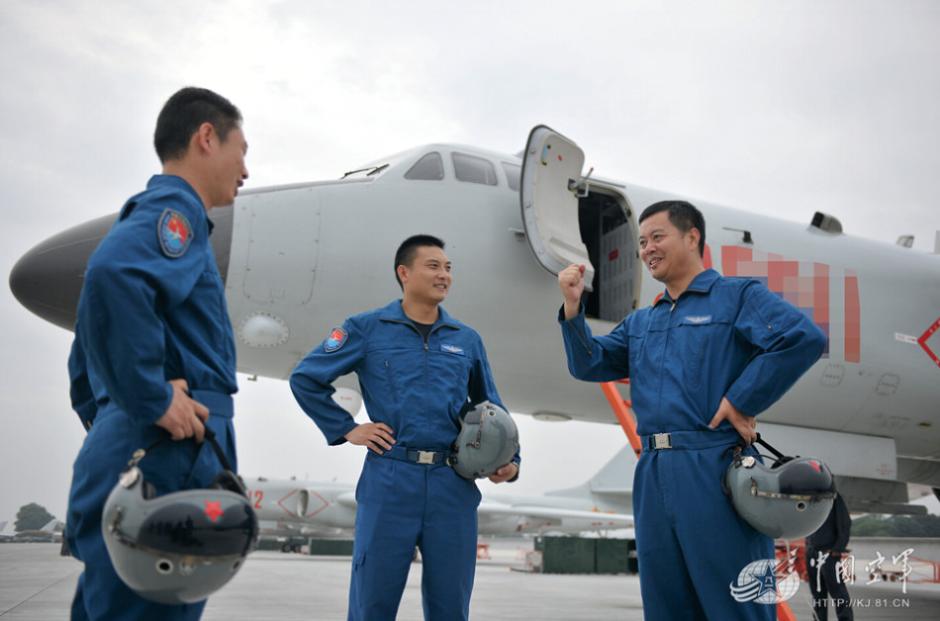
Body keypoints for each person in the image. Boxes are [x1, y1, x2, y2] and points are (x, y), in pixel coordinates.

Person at [557, 200, 826, 620]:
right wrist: (572, 309)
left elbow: (801, 338)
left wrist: (742, 398)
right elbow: (588, 363)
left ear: (692, 237)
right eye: (642, 242)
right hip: (653, 469)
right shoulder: (641, 322)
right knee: (666, 603)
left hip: (714, 465)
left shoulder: (737, 296)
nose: (647, 249)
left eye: (657, 237)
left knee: (737, 601)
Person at [66, 87, 249, 621]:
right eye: (242, 149)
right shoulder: (175, 212)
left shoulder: (139, 222)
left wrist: (116, 419)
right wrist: (149, 402)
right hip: (168, 445)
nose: (246, 170)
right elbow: (114, 277)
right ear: (206, 138)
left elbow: (85, 359)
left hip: (133, 441)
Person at [290, 234, 520, 621]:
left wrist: (510, 462)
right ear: (404, 272)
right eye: (433, 266)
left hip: (453, 486)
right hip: (390, 479)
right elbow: (306, 378)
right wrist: (347, 428)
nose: (444, 275)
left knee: (451, 605)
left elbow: (492, 408)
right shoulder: (366, 329)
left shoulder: (466, 339)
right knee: (372, 602)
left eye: (448, 268)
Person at [806, 494, 854, 620]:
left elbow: (845, 523)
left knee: (838, 592)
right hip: (812, 553)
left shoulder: (834, 497)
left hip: (829, 553)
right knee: (817, 595)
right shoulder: (809, 498)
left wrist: (838, 548)